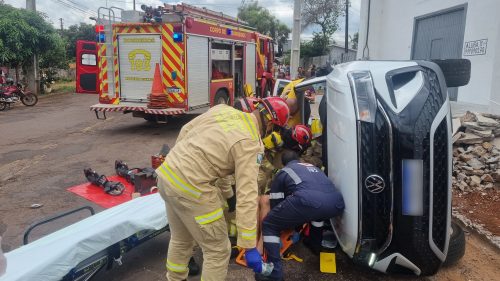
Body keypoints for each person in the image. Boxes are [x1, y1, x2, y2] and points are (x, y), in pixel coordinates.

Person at [157, 97, 290, 281]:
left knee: (181, 239)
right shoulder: (251, 143)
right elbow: (247, 195)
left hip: (167, 174)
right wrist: (249, 245)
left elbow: (186, 130)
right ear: (270, 126)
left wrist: (227, 194)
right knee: (218, 250)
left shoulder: (223, 111)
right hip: (193, 188)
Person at [258, 151, 345, 281]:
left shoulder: (284, 172)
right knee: (318, 214)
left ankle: (274, 273)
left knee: (270, 224)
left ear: (283, 163)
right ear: (299, 159)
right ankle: (315, 244)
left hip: (308, 201)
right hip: (336, 203)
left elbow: (276, 203)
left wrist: (287, 225)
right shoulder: (313, 168)